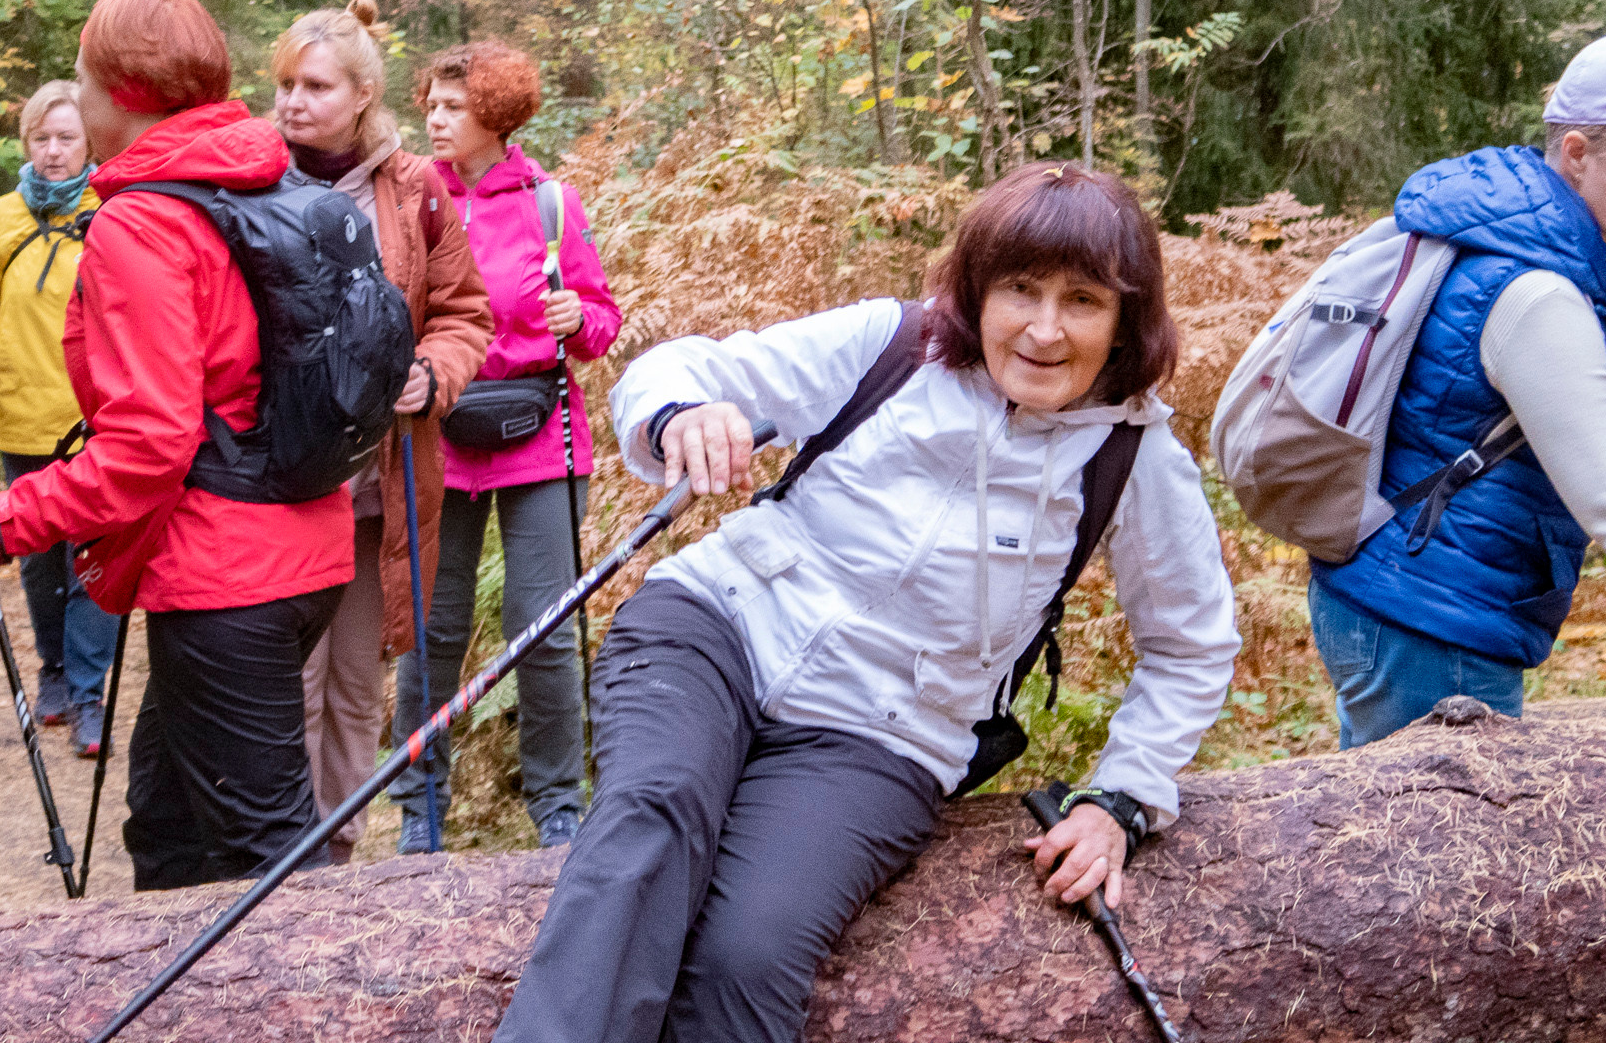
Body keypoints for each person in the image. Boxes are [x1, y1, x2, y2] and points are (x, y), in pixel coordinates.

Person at [491, 162, 1240, 1043]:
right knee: (653, 819)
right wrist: (680, 415)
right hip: (717, 631)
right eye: (1021, 290)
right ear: (977, 292)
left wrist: (1120, 797)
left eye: (1081, 300)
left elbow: (1191, 645)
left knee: (748, 952)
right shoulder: (895, 346)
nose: (1044, 329)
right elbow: (684, 367)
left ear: (1124, 322)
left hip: (884, 733)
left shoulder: (1135, 456)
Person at [0, 0, 358, 890]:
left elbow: (148, 446)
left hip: (225, 576)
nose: (76, 99)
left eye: (83, 80)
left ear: (124, 95)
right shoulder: (263, 179)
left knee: (267, 867)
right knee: (167, 827)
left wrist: (11, 517)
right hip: (302, 548)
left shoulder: (145, 222)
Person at [1309, 30, 1606, 746]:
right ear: (1577, 155)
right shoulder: (1536, 293)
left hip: (1394, 596)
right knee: (1441, 853)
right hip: (1433, 625)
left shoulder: (1494, 238)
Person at [270, 0, 492, 867]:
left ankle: (336, 851)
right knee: (289, 677)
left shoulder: (414, 190)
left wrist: (432, 374)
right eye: (286, 83)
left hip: (378, 486)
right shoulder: (255, 180)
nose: (295, 101)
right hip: (277, 478)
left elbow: (463, 312)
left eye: (316, 84)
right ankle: (276, 848)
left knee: (357, 682)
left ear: (362, 95)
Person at [390, 40, 622, 854]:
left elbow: (601, 320)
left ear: (496, 114)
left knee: (546, 627)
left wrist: (577, 320)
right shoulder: (413, 197)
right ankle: (420, 808)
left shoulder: (552, 202)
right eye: (432, 103)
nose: (436, 117)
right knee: (433, 627)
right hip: (437, 434)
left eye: (454, 106)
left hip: (541, 436)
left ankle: (559, 807)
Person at [0, 79, 119, 759]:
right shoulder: (0, 219)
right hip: (19, 417)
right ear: (26, 145)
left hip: (96, 421)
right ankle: (52, 671)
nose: (52, 151)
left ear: (88, 144)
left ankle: (87, 693)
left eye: (66, 138)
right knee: (40, 563)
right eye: (41, 139)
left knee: (93, 560)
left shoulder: (115, 212)